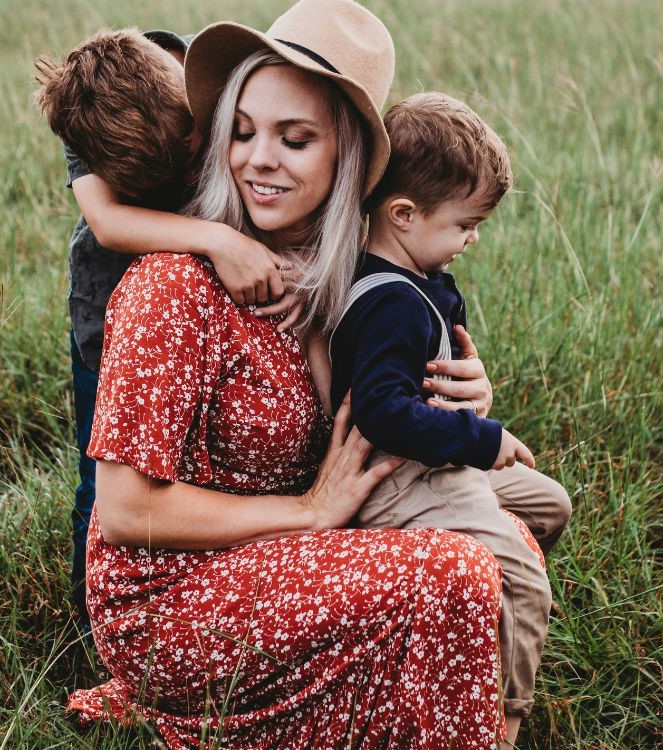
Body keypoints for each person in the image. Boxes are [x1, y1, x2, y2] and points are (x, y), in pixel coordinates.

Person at [65, 1, 519, 746]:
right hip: (175, 601)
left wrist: (466, 399)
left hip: (278, 561)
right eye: (241, 132)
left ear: (348, 161)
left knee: (507, 538)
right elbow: (125, 514)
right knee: (458, 574)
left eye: (295, 138)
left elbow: (390, 411)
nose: (257, 158)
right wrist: (309, 511)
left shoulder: (349, 282)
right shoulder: (172, 285)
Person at [34, 27, 293, 642]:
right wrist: (215, 239)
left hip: (200, 306)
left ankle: (194, 581)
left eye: (197, 138)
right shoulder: (88, 115)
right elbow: (107, 220)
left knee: (196, 457)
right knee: (106, 475)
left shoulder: (181, 73)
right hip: (108, 307)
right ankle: (94, 623)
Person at [329, 92, 571, 746]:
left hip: (433, 468)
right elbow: (381, 412)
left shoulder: (419, 276)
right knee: (524, 579)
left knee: (548, 505)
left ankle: (474, 635)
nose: (474, 238)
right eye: (465, 224)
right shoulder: (389, 306)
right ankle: (504, 721)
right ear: (404, 215)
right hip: (400, 481)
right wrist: (482, 439)